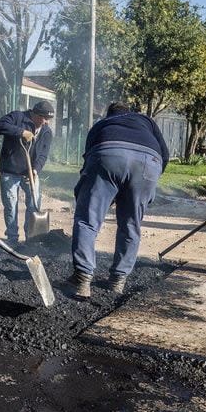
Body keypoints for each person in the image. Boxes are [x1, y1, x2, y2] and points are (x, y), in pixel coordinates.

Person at [68, 102, 168, 298]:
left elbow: (89, 160)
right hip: (149, 164)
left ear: (108, 115)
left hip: (107, 156)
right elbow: (164, 154)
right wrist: (149, 181)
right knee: (131, 224)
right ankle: (118, 281)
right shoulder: (145, 120)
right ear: (129, 113)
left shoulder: (101, 125)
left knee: (87, 221)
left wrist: (85, 193)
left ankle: (82, 278)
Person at [0, 100, 54, 244]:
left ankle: (31, 239)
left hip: (30, 174)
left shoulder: (46, 131)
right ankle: (13, 238)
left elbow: (43, 155)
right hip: (10, 171)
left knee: (34, 205)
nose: (46, 122)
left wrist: (35, 170)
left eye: (48, 119)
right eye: (44, 118)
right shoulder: (17, 117)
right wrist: (21, 132)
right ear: (34, 114)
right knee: (11, 205)